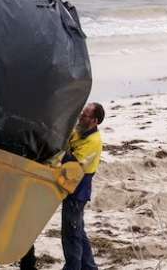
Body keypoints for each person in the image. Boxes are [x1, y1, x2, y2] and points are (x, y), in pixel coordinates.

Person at [62, 102, 105, 270]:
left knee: (71, 234)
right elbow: (67, 142)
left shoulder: (94, 141)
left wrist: (64, 152)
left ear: (95, 121)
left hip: (78, 192)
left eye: (85, 115)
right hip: (71, 188)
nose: (80, 117)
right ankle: (89, 267)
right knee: (78, 230)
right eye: (81, 113)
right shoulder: (80, 132)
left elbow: (72, 164)